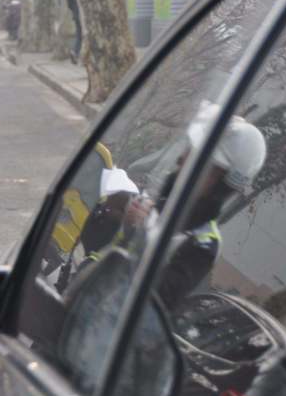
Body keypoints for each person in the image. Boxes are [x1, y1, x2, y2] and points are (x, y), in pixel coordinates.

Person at [76, 101, 267, 309]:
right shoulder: (162, 204)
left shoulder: (203, 244)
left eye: (202, 162)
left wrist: (140, 235)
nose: (183, 160)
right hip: (80, 299)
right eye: (191, 151)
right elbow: (96, 249)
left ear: (221, 185)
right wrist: (121, 220)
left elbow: (152, 302)